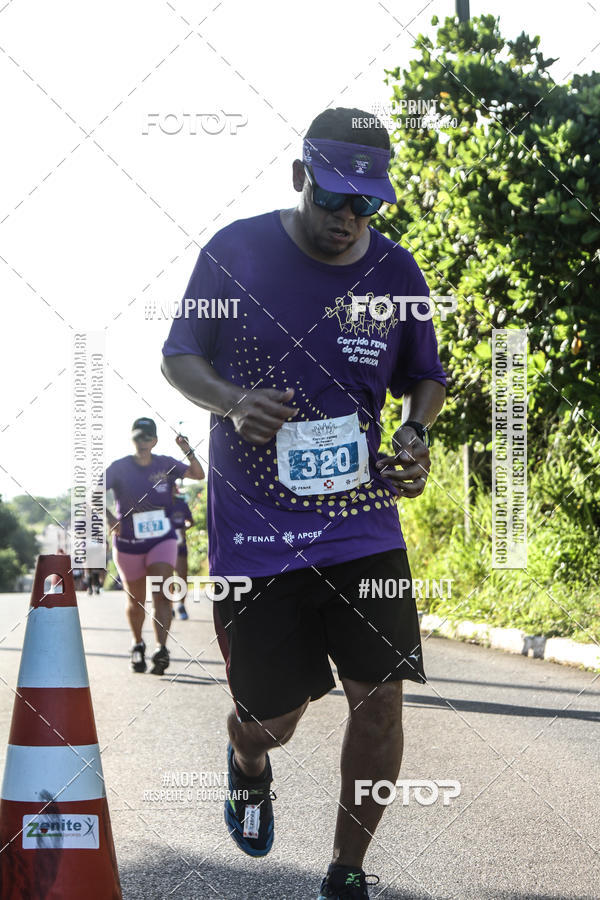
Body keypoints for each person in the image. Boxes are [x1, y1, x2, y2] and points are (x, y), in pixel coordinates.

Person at [161, 108, 446, 899]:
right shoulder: (236, 252)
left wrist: (416, 436)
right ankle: (247, 763)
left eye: (366, 205)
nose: (348, 219)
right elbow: (179, 355)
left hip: (361, 527)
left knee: (381, 703)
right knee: (271, 721)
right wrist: (230, 400)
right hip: (255, 538)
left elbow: (427, 376)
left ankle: (346, 874)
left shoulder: (395, 272)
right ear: (299, 179)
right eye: (333, 200)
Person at [105, 417, 204, 675]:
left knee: (161, 592)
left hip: (162, 539)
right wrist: (110, 519)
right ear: (132, 439)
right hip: (128, 542)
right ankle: (137, 644)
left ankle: (161, 649)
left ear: (155, 440)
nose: (142, 442)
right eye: (138, 437)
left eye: (147, 437)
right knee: (135, 599)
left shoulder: (166, 464)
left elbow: (198, 474)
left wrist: (187, 450)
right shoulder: (119, 468)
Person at [169, 485, 194, 619]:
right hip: (163, 546)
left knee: (181, 576)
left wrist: (184, 529)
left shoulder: (181, 504)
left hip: (179, 545)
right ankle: (169, 606)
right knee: (166, 578)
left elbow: (191, 521)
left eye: (172, 487)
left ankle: (181, 605)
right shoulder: (158, 504)